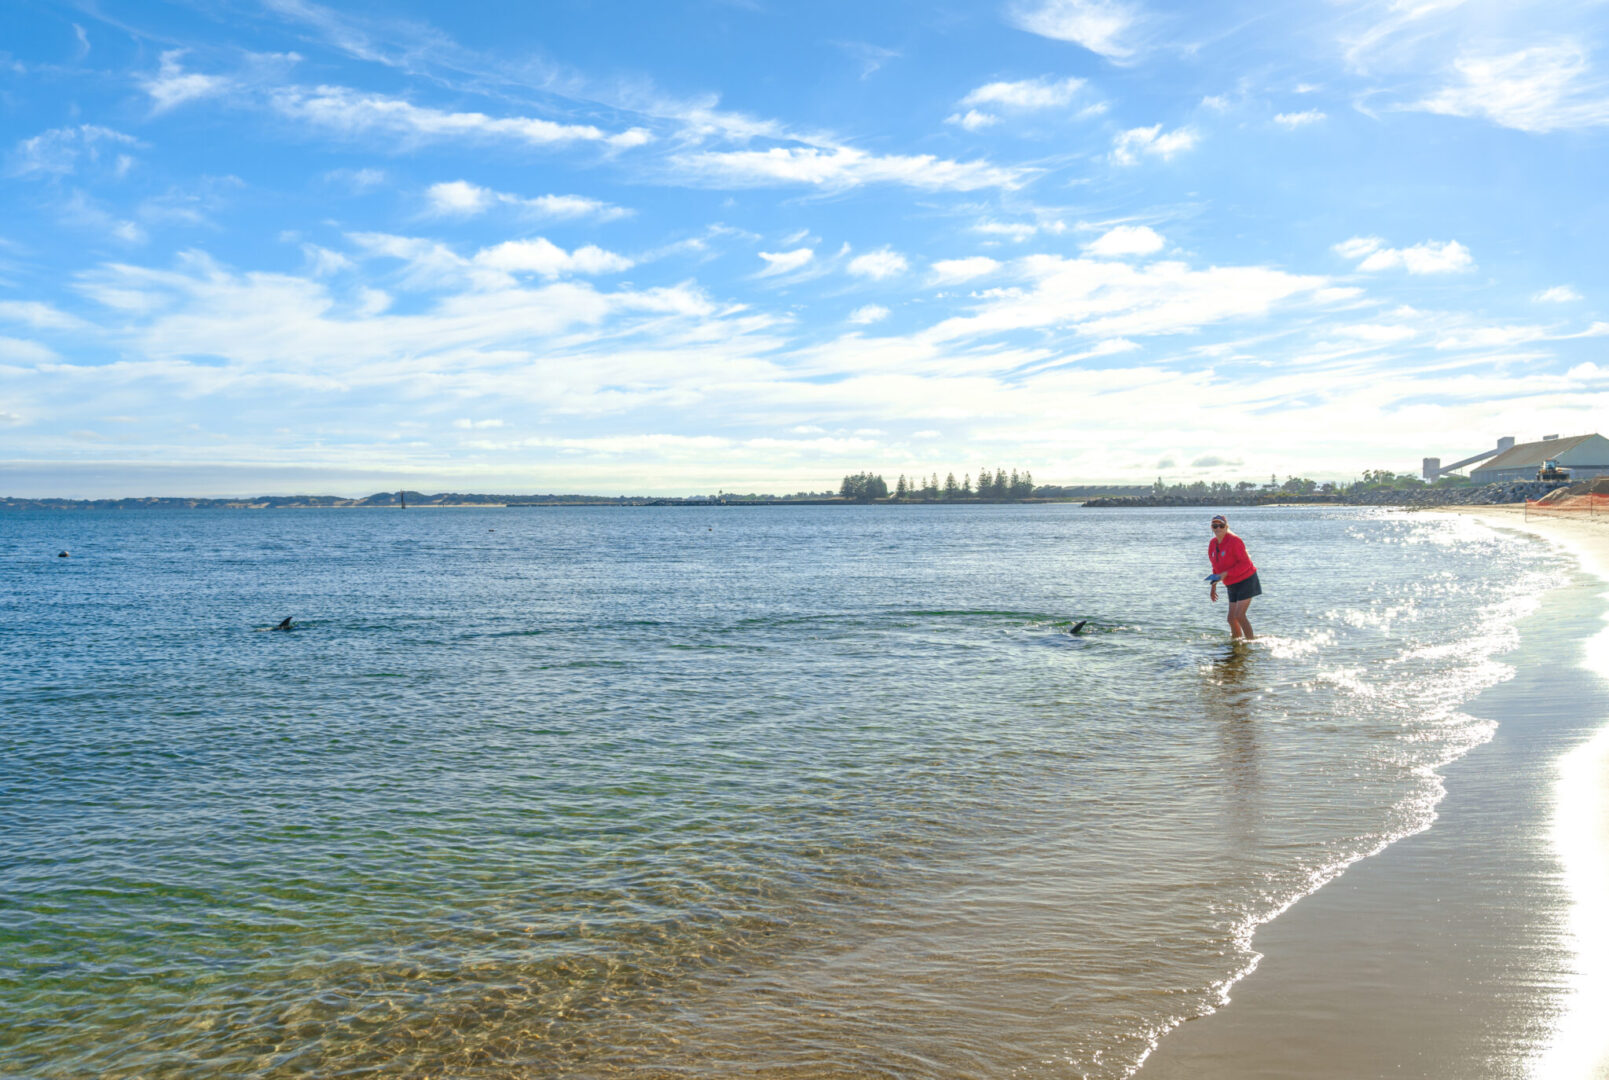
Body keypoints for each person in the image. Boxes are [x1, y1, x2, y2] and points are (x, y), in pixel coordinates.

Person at [1206, 514, 1260, 640]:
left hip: (1247, 580)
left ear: (1226, 527)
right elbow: (1215, 566)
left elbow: (1246, 564)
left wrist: (1226, 573)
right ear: (1211, 528)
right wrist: (1213, 586)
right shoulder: (1212, 544)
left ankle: (1250, 644)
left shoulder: (1235, 541)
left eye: (1221, 525)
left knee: (1239, 615)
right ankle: (1236, 644)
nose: (1218, 528)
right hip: (1231, 583)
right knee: (1231, 619)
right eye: (1215, 526)